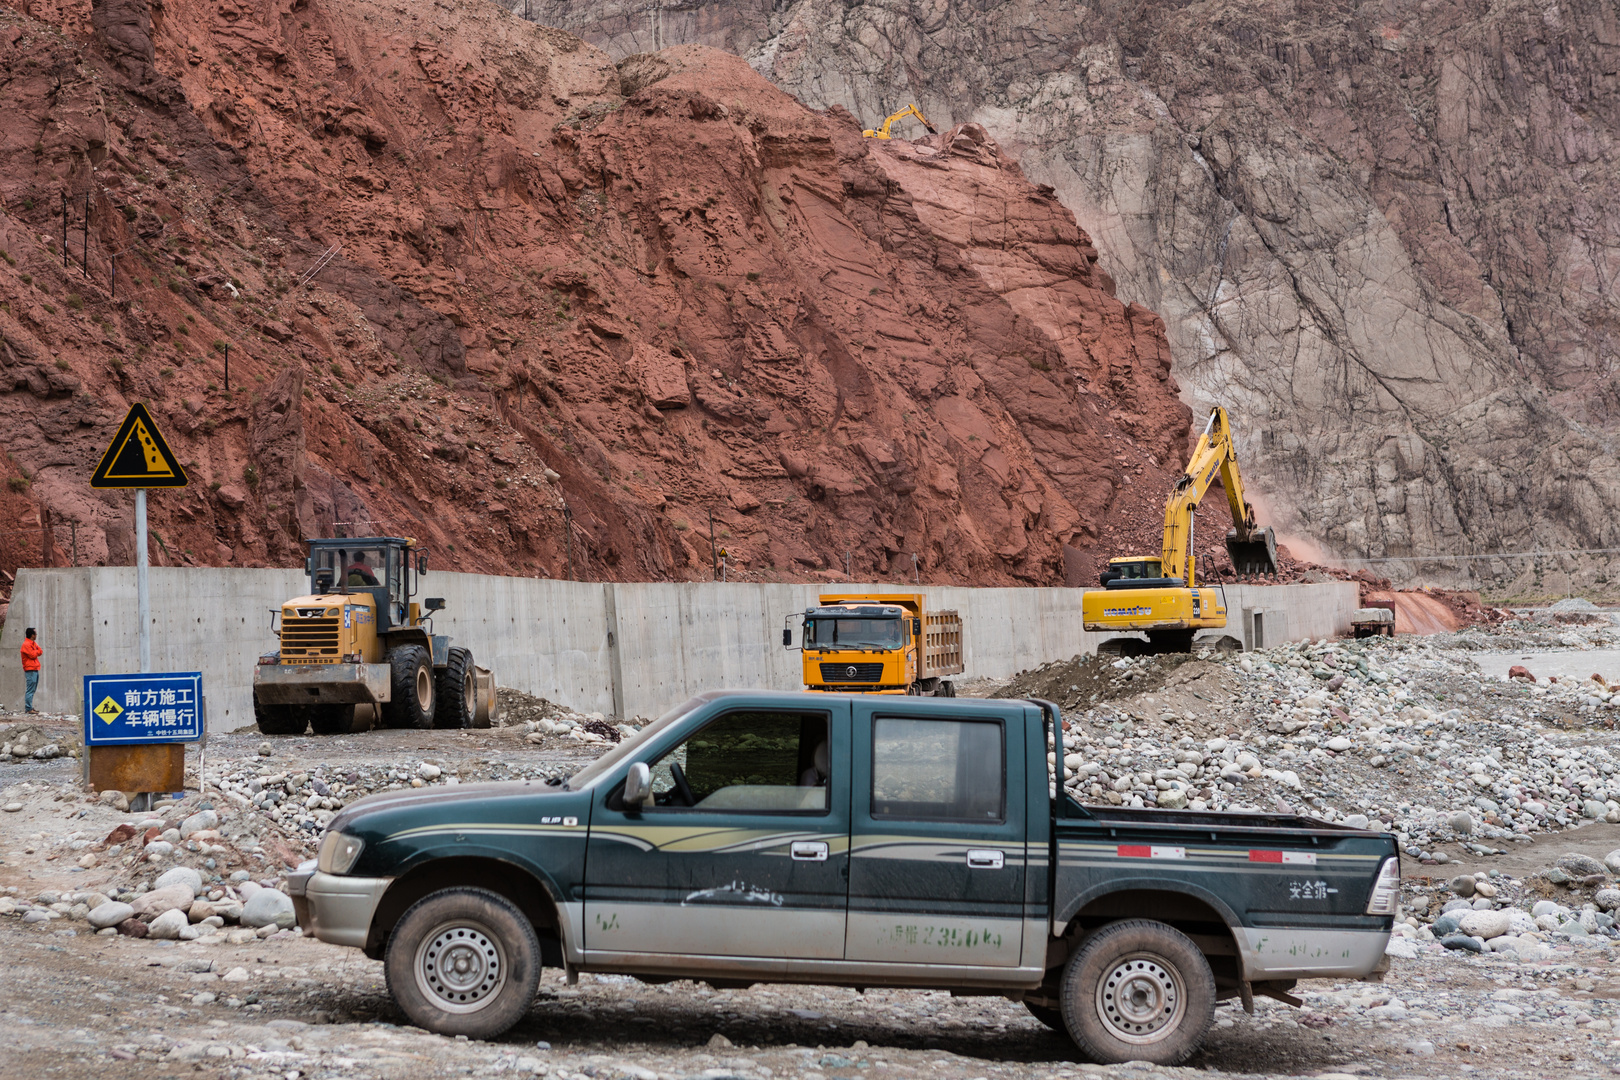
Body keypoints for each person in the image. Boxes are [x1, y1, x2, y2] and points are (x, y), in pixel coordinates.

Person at [20, 627, 41, 714]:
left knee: (32, 689)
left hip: (35, 668)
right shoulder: (26, 644)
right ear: (32, 635)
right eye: (35, 634)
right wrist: (36, 651)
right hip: (30, 669)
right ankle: (28, 708)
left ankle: (30, 707)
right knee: (30, 690)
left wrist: (36, 651)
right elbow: (32, 655)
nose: (36, 635)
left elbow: (40, 651)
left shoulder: (33, 643)